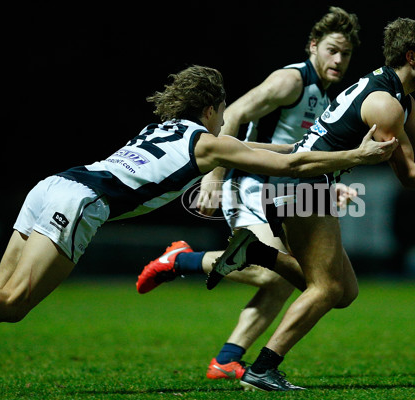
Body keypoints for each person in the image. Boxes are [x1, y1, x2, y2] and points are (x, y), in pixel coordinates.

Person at [209, 18, 415, 391]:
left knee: (345, 292)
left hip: (304, 179)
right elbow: (409, 176)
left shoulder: (400, 100)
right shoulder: (384, 105)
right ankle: (262, 368)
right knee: (326, 288)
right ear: (412, 57)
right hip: (303, 182)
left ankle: (257, 254)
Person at [0, 65, 398, 333]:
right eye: (223, 110)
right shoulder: (206, 142)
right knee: (14, 303)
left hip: (51, 185)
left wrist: (318, 151)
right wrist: (357, 155)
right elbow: (288, 167)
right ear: (213, 108)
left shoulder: (163, 130)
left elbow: (273, 152)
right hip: (80, 202)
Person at [135, 6, 361, 381]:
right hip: (251, 185)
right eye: (332, 50)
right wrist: (214, 177)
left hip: (285, 191)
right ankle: (180, 261)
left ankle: (226, 360)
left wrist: (329, 183)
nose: (338, 59)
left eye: (346, 53)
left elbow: (298, 150)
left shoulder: (323, 96)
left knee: (306, 281)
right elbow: (235, 114)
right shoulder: (291, 81)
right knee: (273, 273)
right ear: (313, 46)